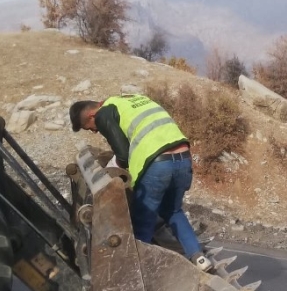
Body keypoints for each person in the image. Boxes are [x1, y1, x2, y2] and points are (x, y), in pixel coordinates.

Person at [69, 94, 212, 272]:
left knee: (143, 217)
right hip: (183, 160)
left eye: (89, 128)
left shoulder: (103, 113)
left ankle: (138, 271)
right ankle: (199, 258)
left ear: (91, 115)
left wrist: (111, 169)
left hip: (158, 164)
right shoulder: (132, 101)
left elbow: (122, 154)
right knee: (173, 211)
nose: (95, 131)